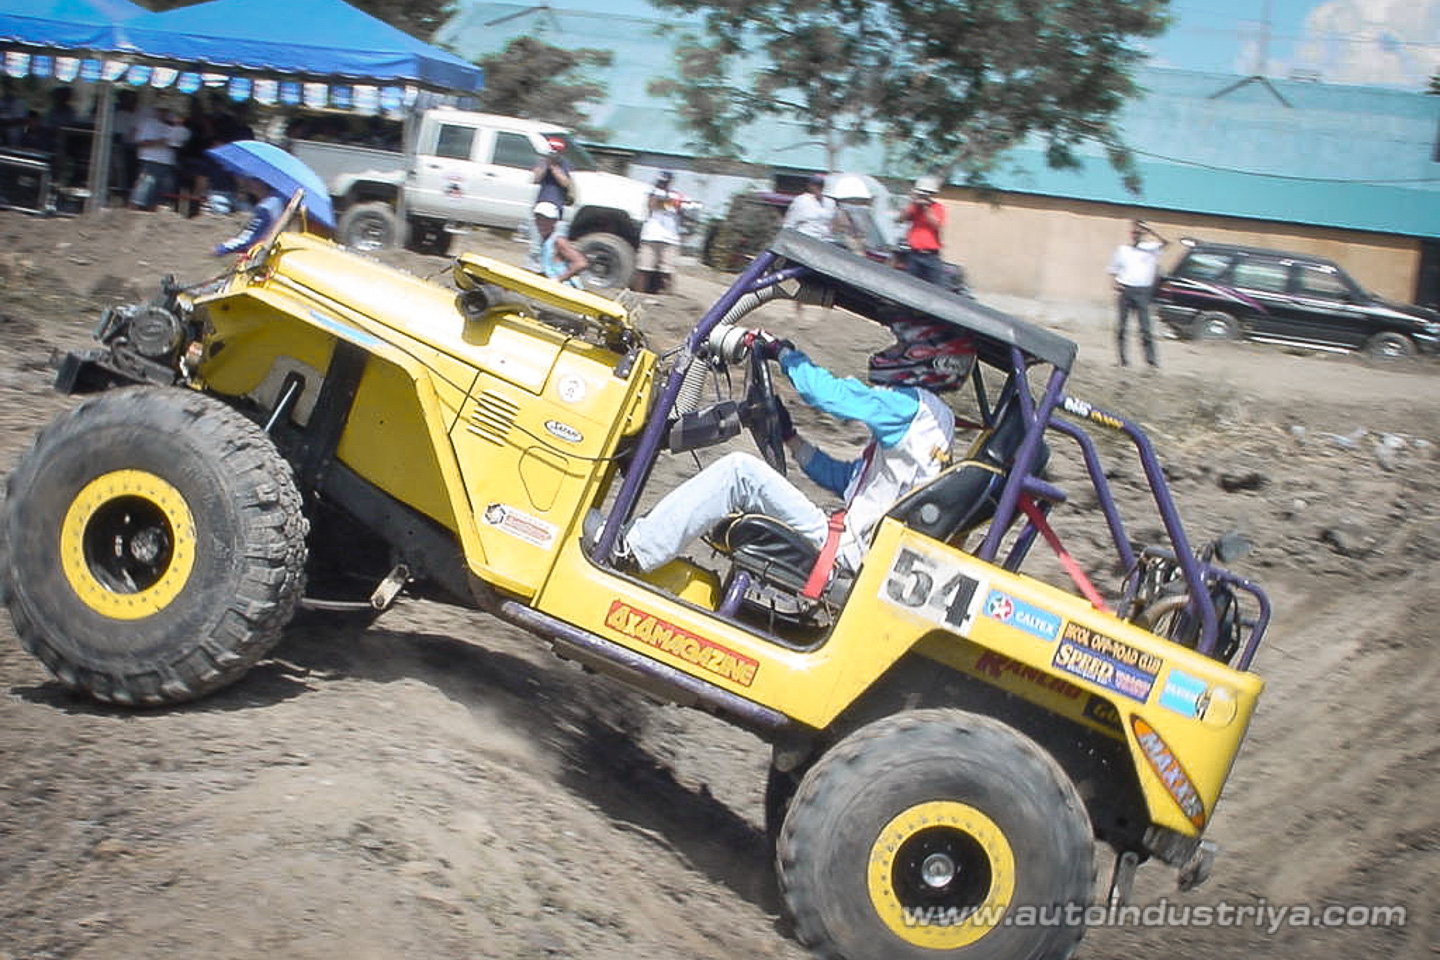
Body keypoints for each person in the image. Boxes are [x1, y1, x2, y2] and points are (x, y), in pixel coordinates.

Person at [619, 321, 975, 575]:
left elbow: (826, 396)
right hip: (854, 544)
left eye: (901, 348)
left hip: (847, 551)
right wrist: (790, 437)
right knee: (744, 477)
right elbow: (846, 478)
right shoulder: (931, 421)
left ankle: (631, 550)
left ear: (931, 360)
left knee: (739, 472)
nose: (890, 353)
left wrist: (782, 351)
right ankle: (641, 537)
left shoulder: (910, 406)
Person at [1107, 219, 1169, 367]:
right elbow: (1113, 270)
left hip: (1143, 291)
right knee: (1122, 327)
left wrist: (1150, 231)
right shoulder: (1123, 250)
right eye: (1134, 232)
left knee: (1145, 328)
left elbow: (1166, 243)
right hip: (1126, 290)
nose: (1136, 234)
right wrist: (1115, 284)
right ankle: (1122, 360)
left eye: (1139, 232)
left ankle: (1151, 361)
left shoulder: (1151, 249)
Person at [130, 105, 190, 211]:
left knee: (160, 196)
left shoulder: (177, 129)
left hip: (167, 164)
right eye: (162, 111)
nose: (165, 114)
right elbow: (140, 142)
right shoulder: (148, 123)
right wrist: (160, 141)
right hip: (150, 161)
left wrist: (177, 125)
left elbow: (180, 142)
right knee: (141, 193)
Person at [634, 170, 683, 295]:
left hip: (670, 238)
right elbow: (652, 205)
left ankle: (668, 300)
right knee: (644, 269)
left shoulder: (676, 195)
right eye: (660, 181)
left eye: (664, 181)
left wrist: (676, 204)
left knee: (667, 272)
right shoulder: (652, 192)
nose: (662, 184)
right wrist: (673, 204)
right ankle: (638, 295)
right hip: (651, 236)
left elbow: (684, 208)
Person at [212, 177, 285, 257]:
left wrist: (223, 248)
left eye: (251, 179)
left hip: (262, 254)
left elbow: (250, 239)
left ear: (260, 182)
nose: (246, 181)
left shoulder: (266, 207)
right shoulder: (278, 200)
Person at [897, 175, 947, 285]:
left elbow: (936, 225)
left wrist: (926, 208)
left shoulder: (938, 207)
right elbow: (900, 219)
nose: (924, 196)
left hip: (931, 256)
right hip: (914, 255)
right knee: (910, 285)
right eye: (922, 193)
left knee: (935, 287)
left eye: (927, 193)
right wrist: (912, 203)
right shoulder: (914, 207)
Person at [530, 201, 588, 286]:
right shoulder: (544, 241)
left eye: (545, 220)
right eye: (538, 218)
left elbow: (581, 263)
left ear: (553, 221)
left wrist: (559, 279)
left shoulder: (559, 241)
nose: (541, 223)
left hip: (568, 288)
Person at [782, 172, 836, 241]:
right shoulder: (801, 200)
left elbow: (832, 225)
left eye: (821, 185)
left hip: (825, 241)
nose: (818, 188)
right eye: (815, 185)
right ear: (810, 186)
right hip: (805, 239)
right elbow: (789, 224)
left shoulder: (831, 203)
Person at [531, 136, 573, 213]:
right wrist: (545, 164)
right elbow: (535, 179)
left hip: (556, 203)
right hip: (540, 201)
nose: (554, 154)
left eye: (557, 151)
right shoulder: (541, 161)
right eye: (552, 150)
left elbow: (566, 183)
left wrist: (554, 167)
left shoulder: (565, 164)